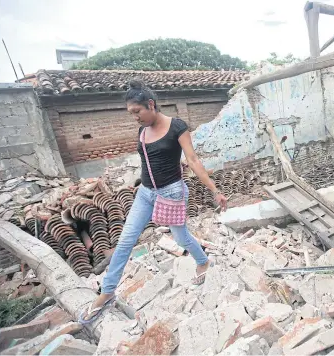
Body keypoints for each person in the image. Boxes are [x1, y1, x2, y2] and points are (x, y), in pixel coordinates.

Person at [79, 80, 228, 323]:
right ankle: (107, 293)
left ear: (151, 104)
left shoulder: (177, 127)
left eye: (137, 112)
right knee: (126, 239)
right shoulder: (142, 131)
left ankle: (202, 261)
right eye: (131, 114)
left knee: (180, 237)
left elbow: (192, 160)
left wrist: (215, 190)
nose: (135, 118)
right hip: (145, 193)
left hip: (171, 192)